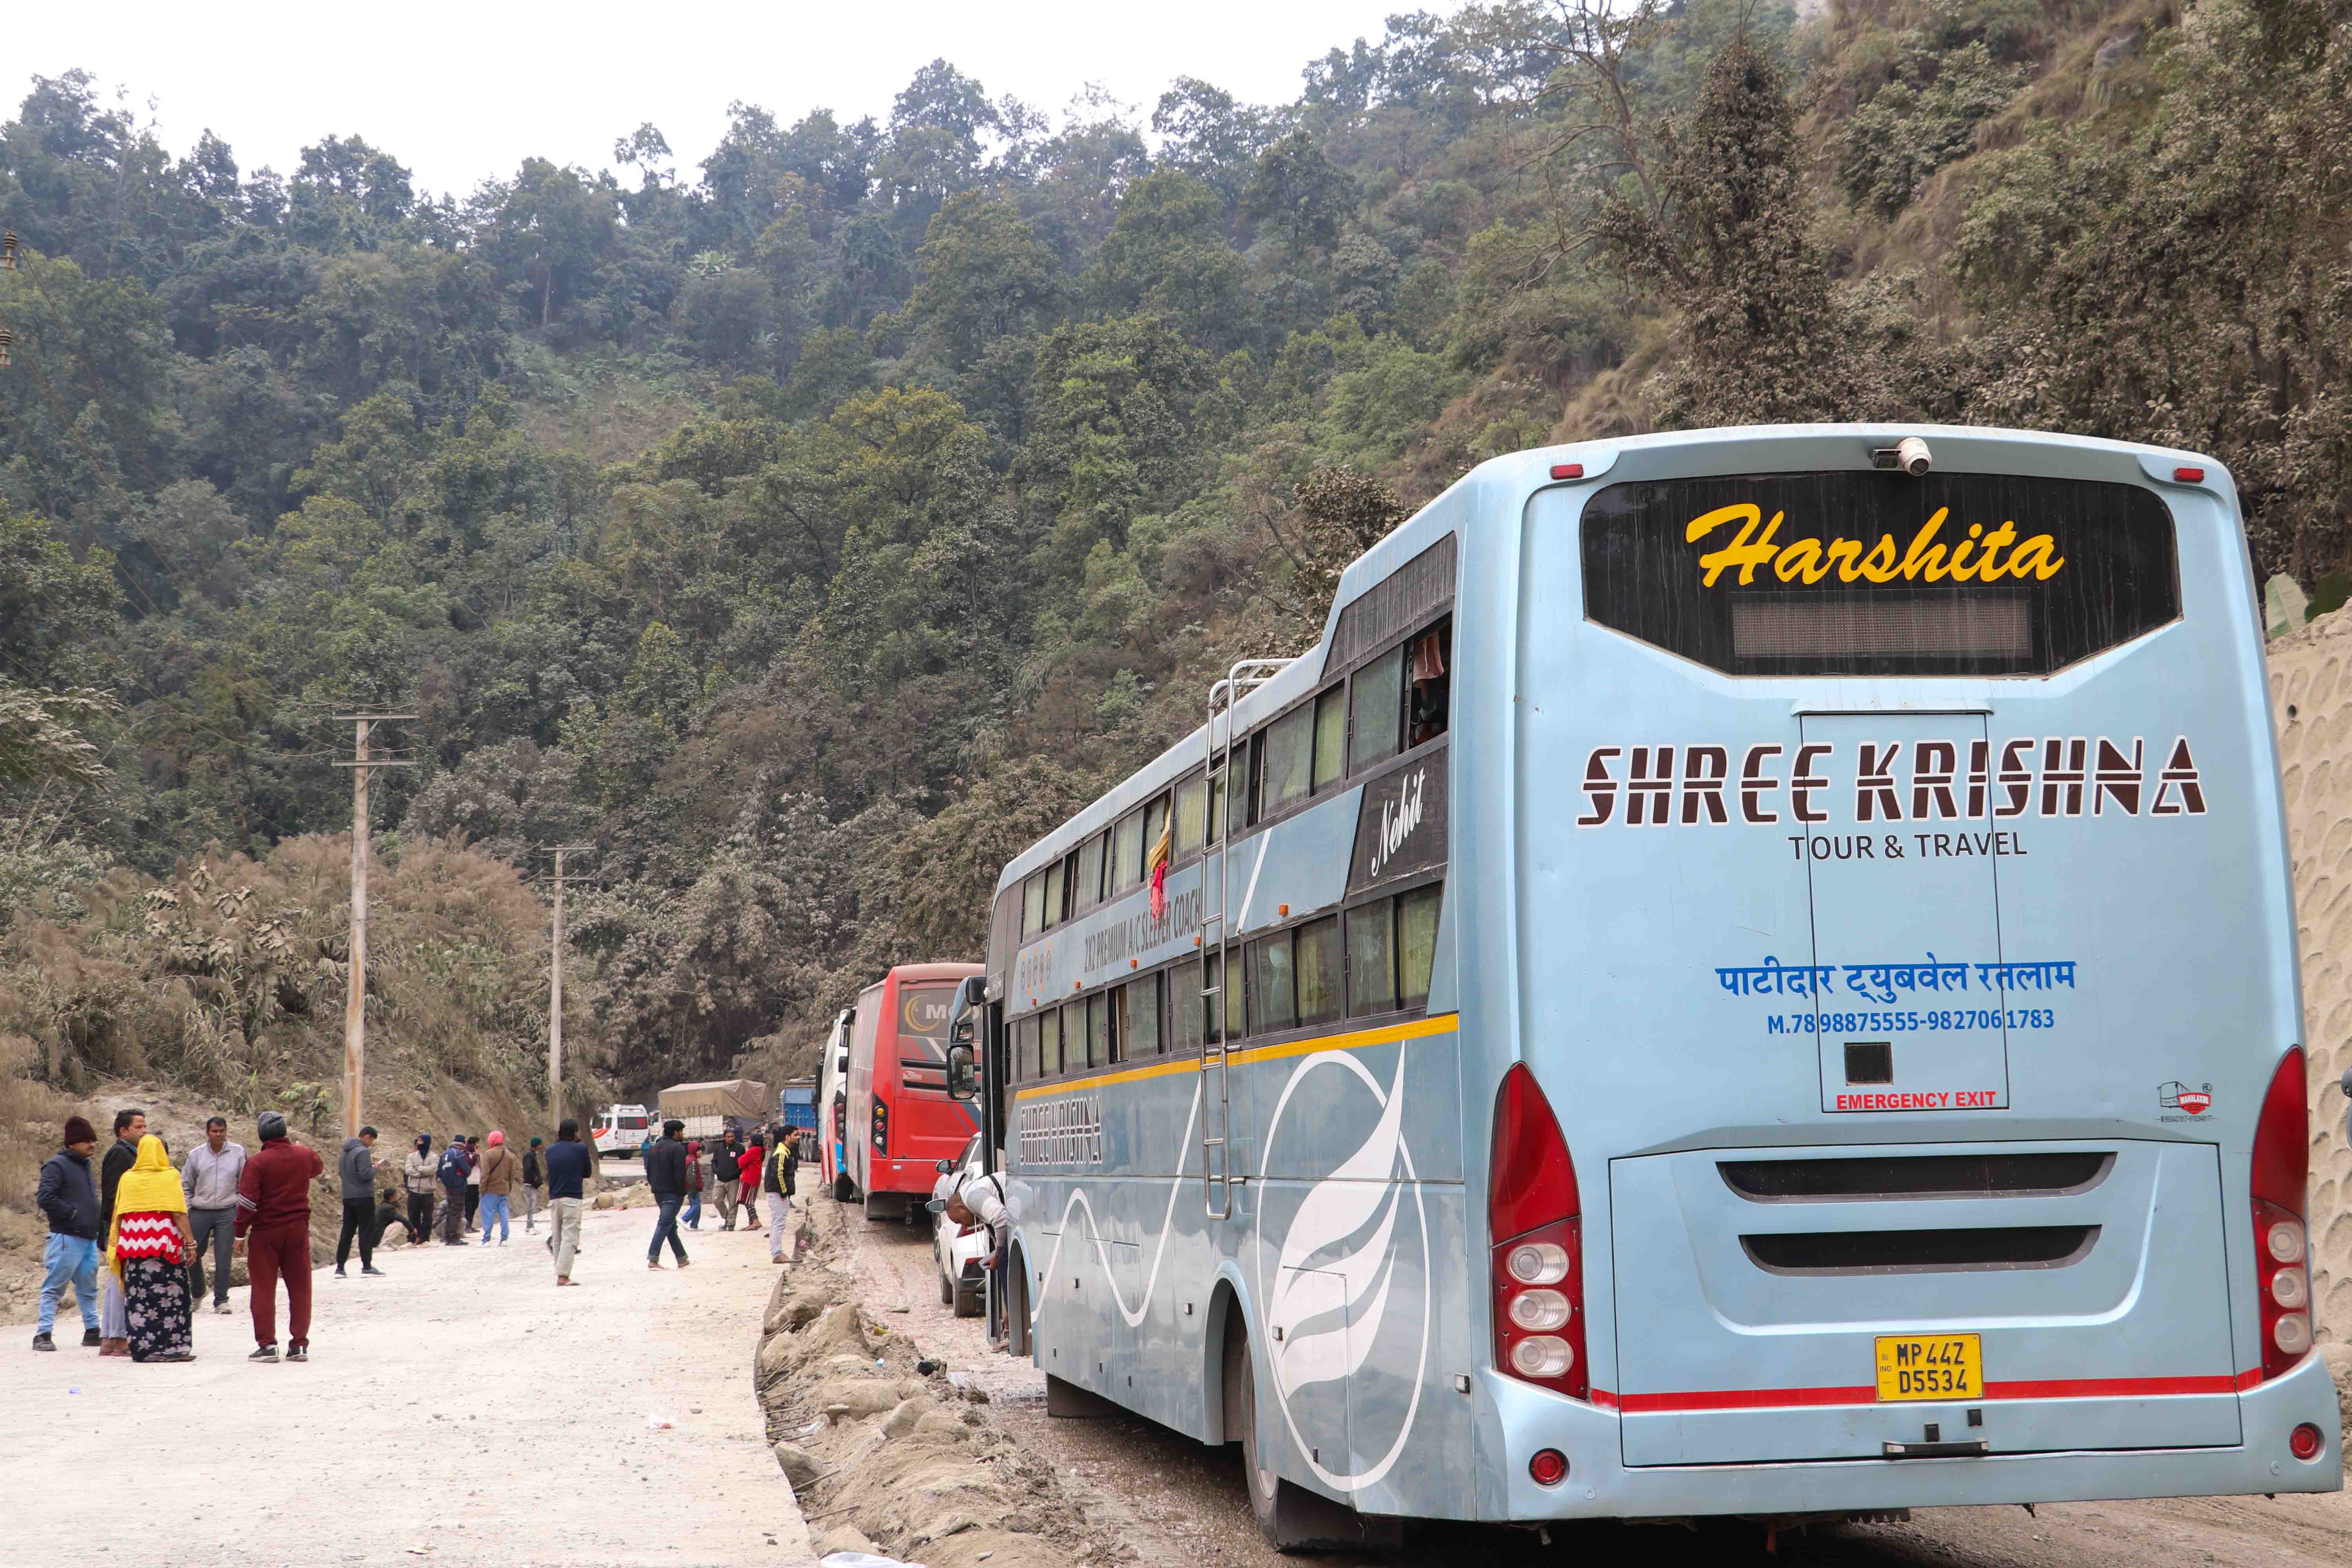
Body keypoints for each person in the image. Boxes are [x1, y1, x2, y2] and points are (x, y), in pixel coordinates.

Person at [234, 1111, 323, 1363]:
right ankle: (299, 1346)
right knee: (300, 1288)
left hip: (265, 1232)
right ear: (285, 1132)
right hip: (297, 1230)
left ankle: (267, 1345)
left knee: (263, 1289)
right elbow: (317, 1168)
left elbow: (248, 1204)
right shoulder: (304, 1155)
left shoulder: (258, 1163)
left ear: (261, 1135)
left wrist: (240, 1234)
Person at [107, 1133, 195, 1363]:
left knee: (139, 1299)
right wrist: (191, 1242)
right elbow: (178, 1213)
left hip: (134, 1251)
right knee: (175, 1297)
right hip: (166, 1250)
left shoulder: (128, 1179)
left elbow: (119, 1214)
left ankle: (144, 1349)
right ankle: (174, 1346)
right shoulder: (170, 1176)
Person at [33, 1116, 102, 1352]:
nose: (91, 1144)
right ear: (72, 1144)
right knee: (55, 1287)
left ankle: (93, 1331)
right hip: (66, 1238)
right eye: (85, 1141)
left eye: (93, 1140)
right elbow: (45, 1197)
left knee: (89, 1288)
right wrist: (72, 1214)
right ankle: (43, 1334)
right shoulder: (57, 1165)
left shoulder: (85, 1165)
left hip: (87, 1238)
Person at [180, 1116, 246, 1316]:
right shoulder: (196, 1155)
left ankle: (221, 1300)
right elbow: (186, 1184)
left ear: (227, 1132)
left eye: (222, 1131)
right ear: (208, 1133)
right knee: (192, 1253)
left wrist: (239, 1207)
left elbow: (244, 1182)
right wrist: (190, 1207)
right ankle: (199, 1291)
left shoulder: (238, 1153)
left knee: (223, 1255)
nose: (218, 1135)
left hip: (228, 1210)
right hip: (200, 1210)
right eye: (214, 1132)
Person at [96, 1107, 147, 1356]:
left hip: (120, 1228)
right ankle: (120, 1340)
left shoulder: (131, 1153)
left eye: (145, 1126)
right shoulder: (120, 1154)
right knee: (121, 1283)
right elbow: (114, 1197)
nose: (144, 1131)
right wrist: (120, 1229)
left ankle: (108, 1339)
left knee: (116, 1282)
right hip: (120, 1228)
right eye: (138, 1127)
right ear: (123, 1131)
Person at [543, 1118, 592, 1285]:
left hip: (554, 1198)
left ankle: (560, 1272)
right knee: (570, 1237)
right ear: (575, 1132)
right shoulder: (581, 1149)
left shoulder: (550, 1151)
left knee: (557, 1237)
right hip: (572, 1197)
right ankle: (563, 1276)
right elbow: (588, 1173)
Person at [334, 1125, 386, 1279]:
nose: (371, 1144)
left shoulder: (345, 1152)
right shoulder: (363, 1151)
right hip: (364, 1197)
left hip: (348, 1196)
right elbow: (365, 1175)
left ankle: (340, 1268)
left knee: (347, 1232)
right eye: (372, 1141)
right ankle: (367, 1267)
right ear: (367, 1136)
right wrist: (375, 1168)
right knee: (365, 1231)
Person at [643, 1119, 690, 1270]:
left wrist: (655, 1186)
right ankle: (653, 1259)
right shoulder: (677, 1149)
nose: (683, 1134)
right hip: (672, 1193)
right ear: (676, 1133)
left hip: (658, 1192)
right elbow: (680, 1174)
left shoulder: (654, 1148)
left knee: (670, 1225)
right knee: (664, 1224)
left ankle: (682, 1259)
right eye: (682, 1131)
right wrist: (682, 1193)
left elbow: (649, 1171)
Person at [765, 1126, 800, 1265]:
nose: (798, 1137)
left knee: (777, 1225)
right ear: (787, 1137)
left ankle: (778, 1253)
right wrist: (784, 1193)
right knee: (778, 1225)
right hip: (778, 1195)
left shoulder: (785, 1152)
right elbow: (778, 1174)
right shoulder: (781, 1153)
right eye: (796, 1135)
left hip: (778, 1194)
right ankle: (778, 1254)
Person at [477, 1130, 515, 1244]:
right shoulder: (510, 1155)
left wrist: (482, 1190)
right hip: (504, 1189)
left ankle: (487, 1240)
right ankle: (504, 1239)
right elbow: (511, 1176)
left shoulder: (489, 1154)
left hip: (491, 1190)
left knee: (488, 1214)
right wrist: (509, 1189)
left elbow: (485, 1175)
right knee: (503, 1213)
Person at [403, 1134, 437, 1249]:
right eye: (418, 1140)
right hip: (414, 1191)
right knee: (413, 1216)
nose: (419, 1142)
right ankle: (413, 1239)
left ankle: (425, 1239)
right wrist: (422, 1173)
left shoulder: (435, 1157)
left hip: (428, 1192)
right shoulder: (412, 1156)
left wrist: (419, 1169)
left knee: (428, 1217)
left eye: (421, 1141)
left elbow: (432, 1170)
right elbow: (408, 1170)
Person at [437, 1134, 472, 1245]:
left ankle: (447, 1237)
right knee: (456, 1212)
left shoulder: (444, 1154)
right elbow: (467, 1170)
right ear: (462, 1144)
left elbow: (439, 1172)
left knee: (451, 1211)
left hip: (448, 1187)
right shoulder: (459, 1155)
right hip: (459, 1187)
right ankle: (453, 1237)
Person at [713, 1131, 743, 1230]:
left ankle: (731, 1225)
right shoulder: (719, 1147)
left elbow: (742, 1163)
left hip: (734, 1180)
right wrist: (716, 1170)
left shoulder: (740, 1148)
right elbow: (714, 1161)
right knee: (717, 1200)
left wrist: (737, 1173)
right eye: (729, 1137)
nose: (731, 1138)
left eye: (733, 1136)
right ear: (724, 1138)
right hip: (720, 1180)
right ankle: (727, 1218)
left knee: (733, 1203)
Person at [736, 1136, 763, 1231]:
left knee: (748, 1201)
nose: (748, 1142)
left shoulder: (754, 1151)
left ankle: (756, 1221)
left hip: (749, 1178)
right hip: (755, 1178)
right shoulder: (760, 1150)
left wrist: (741, 1157)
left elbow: (741, 1163)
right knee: (749, 1200)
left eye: (750, 1140)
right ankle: (752, 1222)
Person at [520, 1136, 545, 1233]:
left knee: (532, 1205)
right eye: (540, 1144)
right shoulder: (529, 1156)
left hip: (532, 1185)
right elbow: (528, 1170)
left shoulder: (532, 1155)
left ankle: (530, 1225)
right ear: (536, 1145)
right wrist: (536, 1179)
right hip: (530, 1185)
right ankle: (530, 1226)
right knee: (531, 1206)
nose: (541, 1146)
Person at [682, 1139, 704, 1230]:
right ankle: (685, 1218)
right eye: (699, 1151)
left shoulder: (691, 1159)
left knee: (696, 1206)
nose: (701, 1153)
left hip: (693, 1187)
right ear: (694, 1151)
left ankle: (694, 1225)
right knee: (696, 1205)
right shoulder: (693, 1161)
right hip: (693, 1188)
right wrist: (693, 1189)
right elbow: (691, 1177)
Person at [464, 1135, 484, 1227]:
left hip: (477, 1182)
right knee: (469, 1205)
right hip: (469, 1182)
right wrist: (476, 1155)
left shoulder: (477, 1154)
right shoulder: (466, 1154)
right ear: (472, 1144)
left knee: (475, 1204)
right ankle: (467, 1225)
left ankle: (470, 1224)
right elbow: (470, 1165)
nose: (479, 1145)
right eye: (477, 1143)